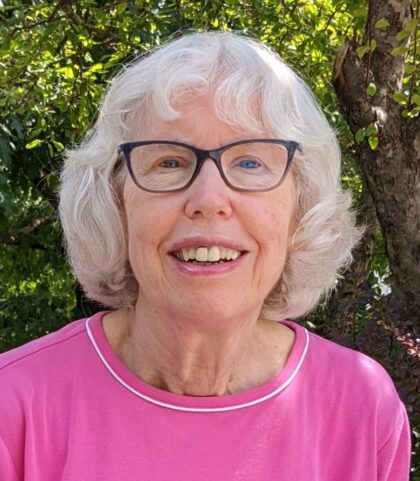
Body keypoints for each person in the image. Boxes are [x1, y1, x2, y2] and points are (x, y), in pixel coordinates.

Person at [0, 32, 410, 480]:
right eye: (169, 162)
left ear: (300, 209)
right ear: (115, 204)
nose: (209, 198)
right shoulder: (15, 409)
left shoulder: (361, 408)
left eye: (250, 162)